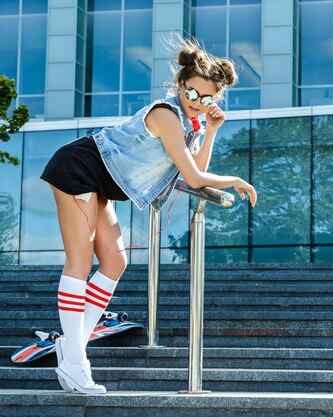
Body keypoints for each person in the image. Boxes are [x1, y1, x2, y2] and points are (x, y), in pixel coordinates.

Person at [40, 36, 257, 394]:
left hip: (100, 180)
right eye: (192, 93)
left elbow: (196, 168)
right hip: (78, 168)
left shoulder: (193, 127)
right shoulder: (165, 115)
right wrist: (233, 179)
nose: (198, 104)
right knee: (79, 262)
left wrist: (213, 131)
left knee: (115, 262)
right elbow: (194, 178)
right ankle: (76, 360)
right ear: (180, 85)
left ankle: (70, 345)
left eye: (207, 99)